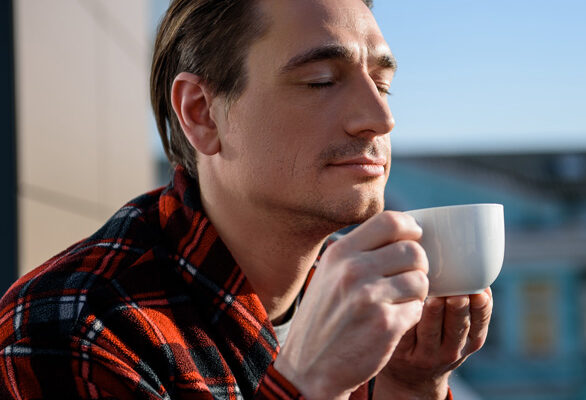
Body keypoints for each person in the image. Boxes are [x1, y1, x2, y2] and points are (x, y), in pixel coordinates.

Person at [0, 0, 493, 398]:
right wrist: (307, 385)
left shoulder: (359, 302)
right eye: (321, 81)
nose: (380, 119)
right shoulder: (76, 329)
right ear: (201, 114)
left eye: (382, 85)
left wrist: (408, 387)